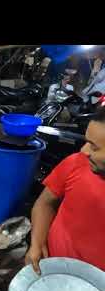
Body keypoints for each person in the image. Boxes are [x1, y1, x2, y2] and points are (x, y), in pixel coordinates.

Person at [25, 106, 105, 274]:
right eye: (86, 142)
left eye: (94, 147)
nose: (84, 150)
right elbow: (44, 204)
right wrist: (37, 243)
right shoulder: (76, 163)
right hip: (50, 270)